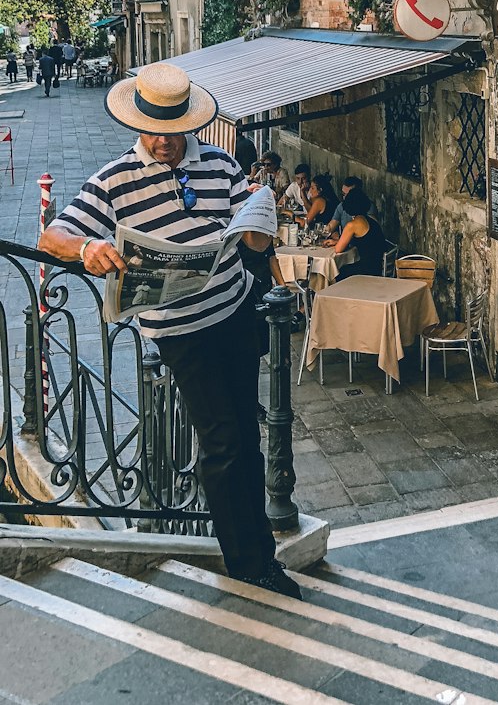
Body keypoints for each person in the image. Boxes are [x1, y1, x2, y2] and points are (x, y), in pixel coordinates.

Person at [37, 61, 301, 600]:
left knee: (248, 436)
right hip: (180, 332)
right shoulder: (113, 180)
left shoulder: (222, 164)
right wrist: (89, 248)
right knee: (222, 438)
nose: (161, 142)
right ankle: (249, 563)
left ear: (189, 126)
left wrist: (257, 224)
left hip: (233, 312)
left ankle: (261, 552)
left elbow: (247, 231)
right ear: (138, 125)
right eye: (152, 131)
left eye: (172, 133)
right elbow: (53, 235)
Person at [331, 192, 387, 278]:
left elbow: (338, 249)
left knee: (336, 272)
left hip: (366, 271)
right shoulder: (371, 220)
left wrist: (337, 243)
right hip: (377, 266)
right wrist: (336, 242)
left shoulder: (352, 225)